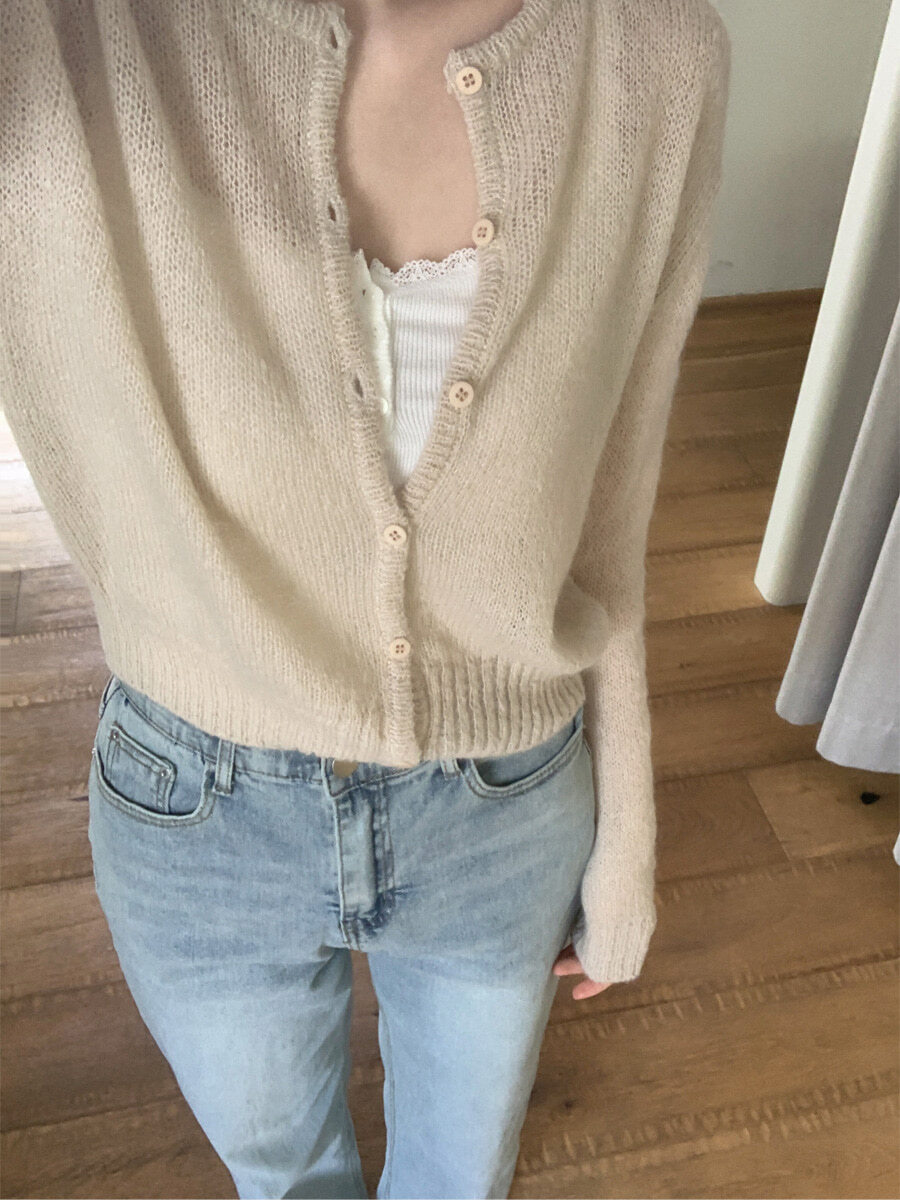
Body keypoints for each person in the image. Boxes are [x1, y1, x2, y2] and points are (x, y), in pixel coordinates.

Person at [0, 0, 731, 1196]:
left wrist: (627, 844)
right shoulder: (63, 36)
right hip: (193, 812)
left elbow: (612, 510)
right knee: (283, 1178)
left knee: (460, 1179)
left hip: (503, 806)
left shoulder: (656, 57)